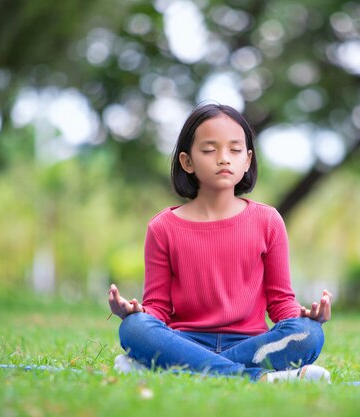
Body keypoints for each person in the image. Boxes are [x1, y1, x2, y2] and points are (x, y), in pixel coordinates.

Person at [108, 103, 333, 382]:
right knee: (134, 329)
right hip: (185, 342)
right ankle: (258, 378)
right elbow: (158, 308)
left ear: (248, 160)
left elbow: (280, 301)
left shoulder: (268, 220)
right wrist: (136, 313)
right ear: (187, 161)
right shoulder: (162, 227)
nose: (224, 158)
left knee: (309, 335)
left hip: (252, 346)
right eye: (209, 150)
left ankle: (174, 368)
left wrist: (306, 317)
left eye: (235, 150)